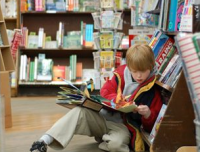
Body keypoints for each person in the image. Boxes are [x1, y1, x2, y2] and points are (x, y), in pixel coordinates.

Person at [30, 44, 163, 152]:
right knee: (78, 112)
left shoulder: (153, 89)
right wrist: (118, 100)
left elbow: (153, 124)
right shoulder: (121, 74)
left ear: (150, 67)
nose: (138, 76)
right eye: (134, 71)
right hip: (103, 118)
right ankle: (43, 141)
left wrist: (148, 114)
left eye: (143, 71)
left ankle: (105, 140)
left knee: (116, 145)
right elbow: (105, 92)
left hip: (123, 127)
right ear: (129, 67)